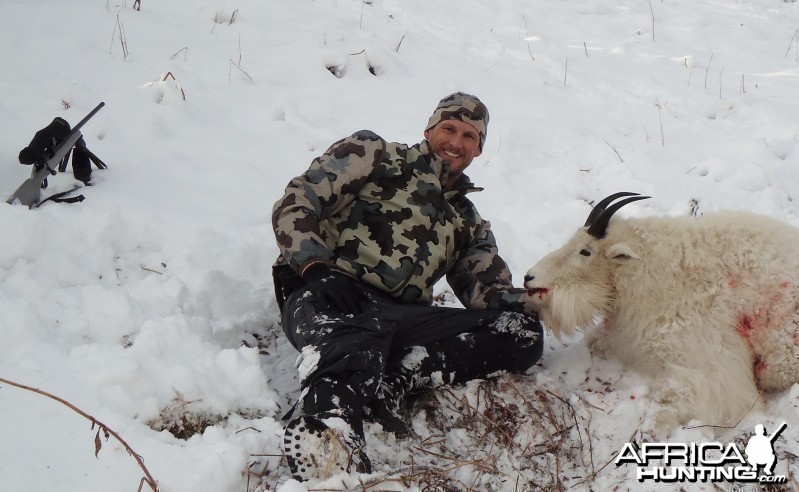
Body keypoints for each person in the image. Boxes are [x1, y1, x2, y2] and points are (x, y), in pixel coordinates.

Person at [271, 92, 544, 481]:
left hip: (402, 318)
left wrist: (546, 299)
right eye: (449, 128)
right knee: (356, 339)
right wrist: (315, 266)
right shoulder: (375, 155)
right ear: (429, 130)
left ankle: (398, 375)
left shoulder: (469, 222)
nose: (456, 142)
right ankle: (330, 438)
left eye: (469, 136)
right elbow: (297, 201)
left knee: (520, 332)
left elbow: (488, 294)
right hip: (331, 292)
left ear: (478, 149)